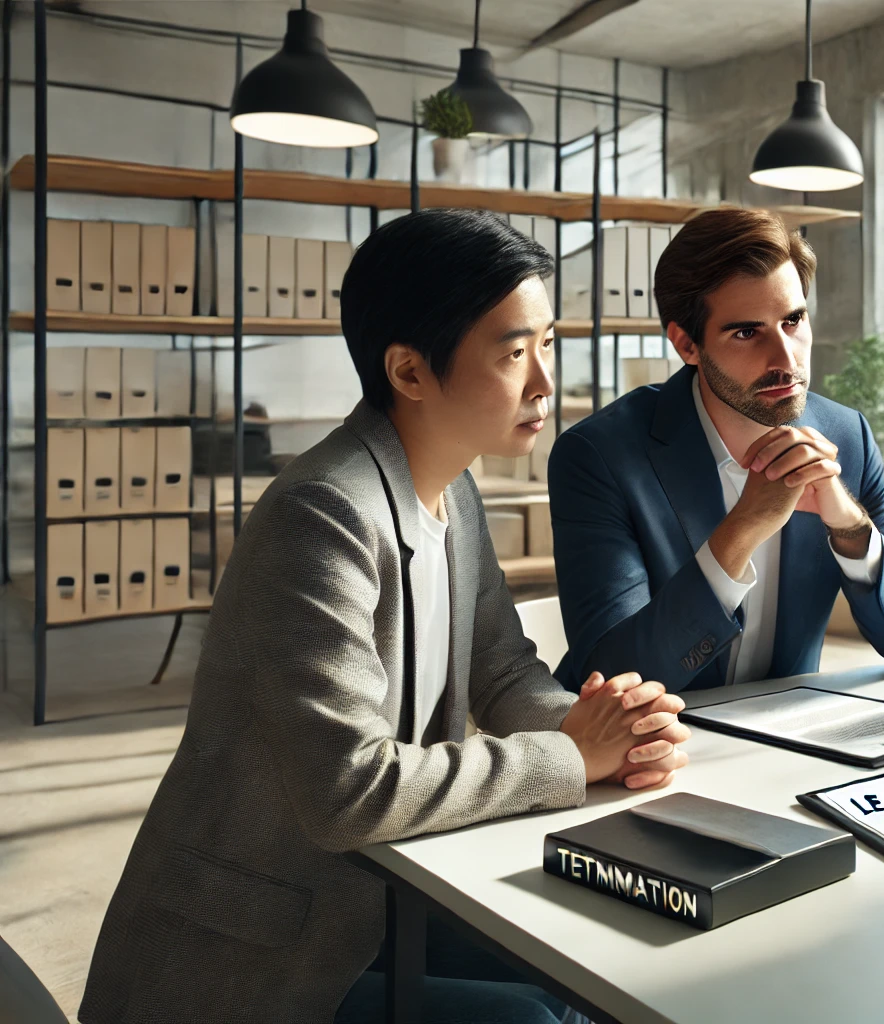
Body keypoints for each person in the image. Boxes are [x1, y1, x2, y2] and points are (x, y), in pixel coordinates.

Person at [80, 209, 691, 1024]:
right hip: (255, 948)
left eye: (548, 344)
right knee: (545, 1019)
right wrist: (571, 757)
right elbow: (348, 789)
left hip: (381, 892)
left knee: (602, 965)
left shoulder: (453, 488)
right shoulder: (324, 513)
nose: (545, 382)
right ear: (408, 371)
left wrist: (610, 730)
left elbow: (503, 670)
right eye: (515, 353)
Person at [548, 207, 884, 692]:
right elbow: (613, 678)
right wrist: (743, 528)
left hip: (783, 747)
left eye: (793, 320)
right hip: (647, 752)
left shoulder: (847, 436)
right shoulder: (598, 455)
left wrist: (850, 525)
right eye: (747, 332)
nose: (785, 359)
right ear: (687, 344)